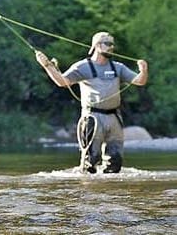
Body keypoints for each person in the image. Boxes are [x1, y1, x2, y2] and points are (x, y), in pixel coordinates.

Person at [35, 31, 148, 173]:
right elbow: (62, 81)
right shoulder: (82, 67)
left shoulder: (118, 67)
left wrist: (143, 70)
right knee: (90, 162)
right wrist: (47, 66)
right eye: (108, 43)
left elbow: (140, 81)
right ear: (97, 45)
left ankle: (113, 193)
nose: (111, 47)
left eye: (112, 44)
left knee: (115, 163)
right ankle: (89, 192)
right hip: (92, 118)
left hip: (114, 118)